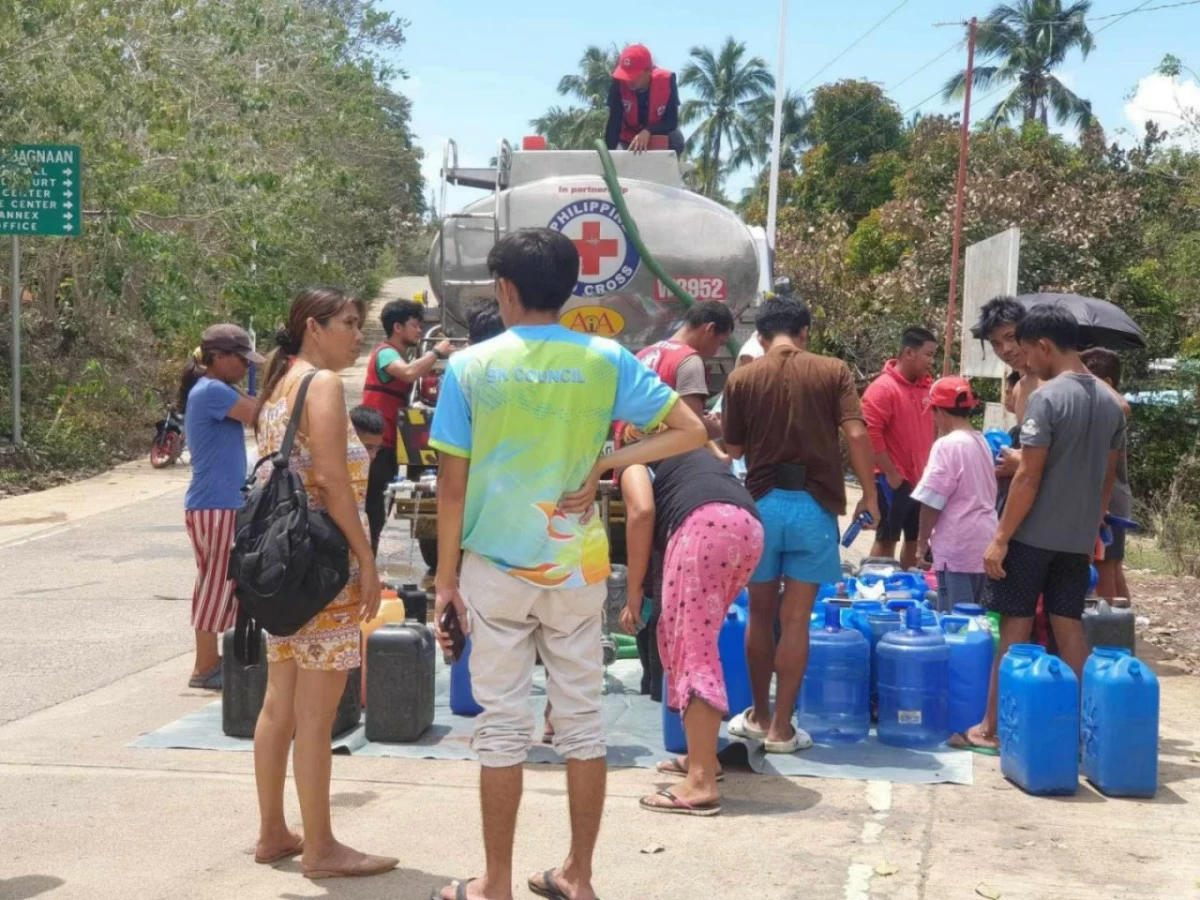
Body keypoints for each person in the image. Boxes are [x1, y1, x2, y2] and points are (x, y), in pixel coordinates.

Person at [428, 228, 705, 900]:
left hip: (494, 566)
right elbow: (692, 431)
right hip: (578, 567)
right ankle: (578, 875)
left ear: (504, 289)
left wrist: (444, 582)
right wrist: (606, 463)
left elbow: (453, 487)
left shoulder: (470, 368)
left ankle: (494, 884)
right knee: (582, 722)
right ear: (570, 288)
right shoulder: (607, 358)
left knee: (501, 728)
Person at [251, 287, 396, 879]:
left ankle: (272, 833)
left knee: (278, 704)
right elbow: (335, 483)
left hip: (285, 571)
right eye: (347, 323)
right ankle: (321, 848)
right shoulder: (325, 386)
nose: (355, 334)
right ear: (313, 326)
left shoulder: (278, 387)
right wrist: (367, 562)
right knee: (316, 716)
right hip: (324, 567)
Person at [960, 305, 1125, 753]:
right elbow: (1106, 480)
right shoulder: (1113, 404)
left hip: (1032, 537)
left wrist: (999, 539)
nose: (1025, 361)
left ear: (1046, 346)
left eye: (1028, 352)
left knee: (1014, 627)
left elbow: (1028, 476)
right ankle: (1092, 731)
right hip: (1076, 540)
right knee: (1068, 628)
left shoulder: (1048, 399)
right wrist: (1090, 527)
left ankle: (990, 729)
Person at [721, 297, 879, 753]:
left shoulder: (742, 377)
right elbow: (855, 433)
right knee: (796, 622)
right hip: (815, 506)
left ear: (762, 337)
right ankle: (783, 730)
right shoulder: (834, 371)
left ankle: (759, 715)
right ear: (805, 331)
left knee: (761, 614)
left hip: (762, 506)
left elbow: (732, 450)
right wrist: (869, 495)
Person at [619, 442, 762, 815]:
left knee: (693, 649)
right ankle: (705, 758)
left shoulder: (633, 456)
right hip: (747, 525)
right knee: (691, 638)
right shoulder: (690, 447)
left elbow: (641, 512)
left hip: (702, 528)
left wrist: (633, 591)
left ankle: (700, 781)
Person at [180, 324, 263, 690]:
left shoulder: (215, 389)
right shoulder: (212, 391)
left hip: (220, 502)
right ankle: (205, 665)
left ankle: (215, 660)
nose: (246, 366)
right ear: (218, 358)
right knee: (216, 584)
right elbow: (259, 413)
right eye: (242, 360)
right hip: (216, 504)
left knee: (222, 583)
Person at [362, 298, 454, 555]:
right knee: (374, 510)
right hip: (376, 448)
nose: (418, 331)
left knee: (382, 508)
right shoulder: (386, 353)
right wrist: (436, 353)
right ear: (398, 327)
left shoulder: (400, 353)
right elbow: (409, 373)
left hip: (389, 444)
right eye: (414, 325)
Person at [912, 377, 998, 612]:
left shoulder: (947, 445)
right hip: (984, 540)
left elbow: (932, 501)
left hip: (958, 545)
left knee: (957, 624)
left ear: (939, 411)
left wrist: (921, 545)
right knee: (978, 621)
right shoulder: (981, 442)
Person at [862, 327, 937, 569]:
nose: (931, 361)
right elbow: (869, 434)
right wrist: (891, 473)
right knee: (887, 539)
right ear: (908, 353)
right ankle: (874, 590)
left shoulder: (928, 388)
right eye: (928, 354)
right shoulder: (882, 388)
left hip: (921, 480)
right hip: (892, 480)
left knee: (915, 541)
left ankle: (907, 590)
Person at [971, 296, 1042, 486]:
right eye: (996, 343)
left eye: (1011, 337)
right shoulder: (1019, 388)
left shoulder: (1056, 381)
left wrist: (1021, 463)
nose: (1006, 350)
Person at [1082, 348, 1134, 603]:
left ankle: (1110, 630)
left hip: (1109, 501)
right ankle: (1124, 627)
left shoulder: (1112, 409)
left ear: (1107, 383)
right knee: (1112, 566)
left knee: (1105, 570)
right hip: (1117, 498)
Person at [605, 44, 683, 154]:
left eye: (634, 75)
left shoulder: (667, 81)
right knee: (619, 155)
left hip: (658, 133)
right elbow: (614, 122)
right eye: (626, 75)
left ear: (649, 70)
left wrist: (648, 132)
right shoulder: (618, 83)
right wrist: (610, 154)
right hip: (629, 137)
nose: (629, 80)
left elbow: (671, 122)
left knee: (676, 139)